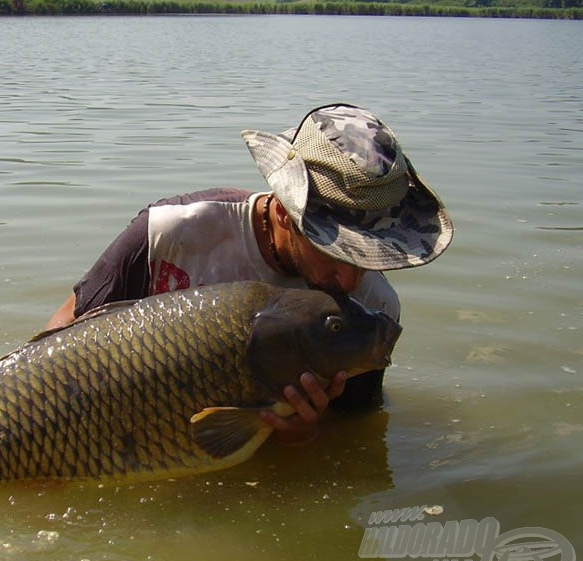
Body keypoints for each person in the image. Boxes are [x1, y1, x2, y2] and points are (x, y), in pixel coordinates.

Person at [47, 103, 453, 445]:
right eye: (335, 253)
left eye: (368, 259)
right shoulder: (172, 233)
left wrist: (304, 435)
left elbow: (356, 436)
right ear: (283, 212)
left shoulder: (373, 313)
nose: (350, 283)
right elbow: (65, 332)